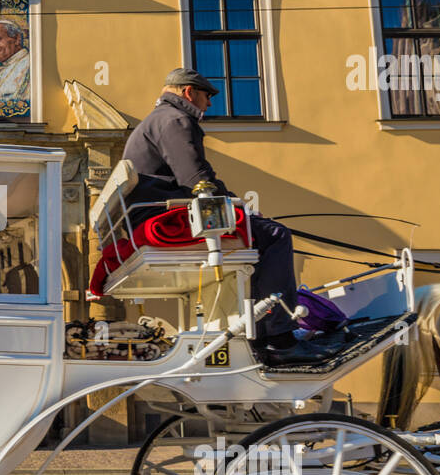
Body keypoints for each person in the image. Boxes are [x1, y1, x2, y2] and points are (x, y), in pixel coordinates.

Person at [121, 68, 310, 364]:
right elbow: (197, 180)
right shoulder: (177, 120)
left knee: (259, 231)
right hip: (167, 219)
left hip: (148, 215)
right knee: (276, 234)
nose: (209, 105)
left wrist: (242, 212)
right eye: (207, 96)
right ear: (188, 93)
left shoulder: (155, 121)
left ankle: (263, 328)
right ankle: (279, 338)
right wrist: (242, 210)